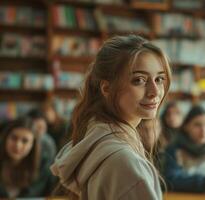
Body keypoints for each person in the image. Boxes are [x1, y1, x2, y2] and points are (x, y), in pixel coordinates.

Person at [50, 35, 172, 200]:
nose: (155, 91)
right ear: (107, 88)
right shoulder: (126, 162)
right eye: (139, 80)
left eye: (159, 79)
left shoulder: (94, 134)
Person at [0, 117, 56, 198]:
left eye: (25, 141)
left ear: (32, 145)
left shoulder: (43, 164)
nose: (17, 145)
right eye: (14, 138)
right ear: (6, 138)